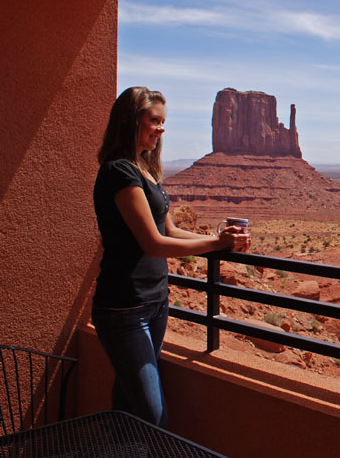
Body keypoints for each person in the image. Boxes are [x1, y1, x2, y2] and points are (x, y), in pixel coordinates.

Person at [91, 86, 250, 427]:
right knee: (153, 415)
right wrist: (214, 245)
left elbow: (171, 230)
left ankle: (117, 449)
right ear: (131, 121)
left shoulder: (145, 171)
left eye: (163, 122)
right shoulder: (119, 172)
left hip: (155, 303)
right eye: (154, 121)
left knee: (128, 404)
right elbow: (154, 244)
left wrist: (221, 240)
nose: (161, 129)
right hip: (124, 308)